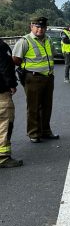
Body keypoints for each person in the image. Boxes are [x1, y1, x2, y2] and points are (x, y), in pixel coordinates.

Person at [12, 16, 59, 143]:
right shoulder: (25, 41)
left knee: (47, 106)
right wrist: (28, 68)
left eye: (43, 27)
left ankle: (45, 131)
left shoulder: (48, 39)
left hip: (48, 77)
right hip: (33, 78)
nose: (40, 29)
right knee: (34, 107)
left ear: (46, 28)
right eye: (37, 27)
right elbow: (16, 59)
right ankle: (34, 133)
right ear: (31, 26)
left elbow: (52, 54)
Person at [0, 37, 22, 167]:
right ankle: (3, 157)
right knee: (5, 122)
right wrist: (11, 84)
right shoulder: (1, 47)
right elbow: (5, 68)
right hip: (1, 92)